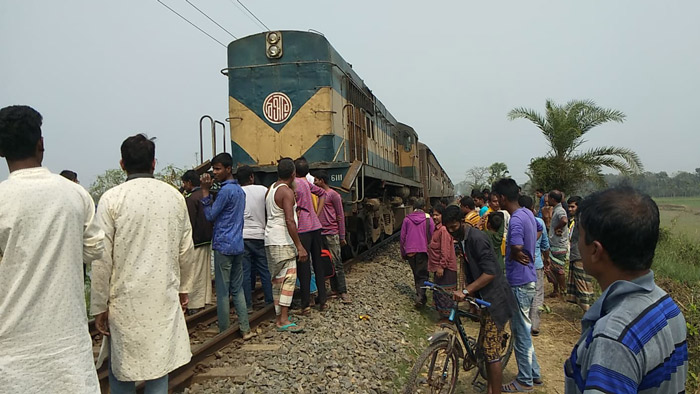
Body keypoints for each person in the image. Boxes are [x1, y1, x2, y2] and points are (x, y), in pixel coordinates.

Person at [0, 105, 104, 393]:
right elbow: (95, 249)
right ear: (40, 144)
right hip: (67, 344)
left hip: (11, 349)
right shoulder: (75, 194)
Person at [91, 134, 194, 392]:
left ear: (122, 164)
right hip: (162, 294)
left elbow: (102, 258)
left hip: (125, 300)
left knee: (122, 367)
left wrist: (99, 305)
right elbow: (186, 250)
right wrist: (184, 288)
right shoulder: (174, 198)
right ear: (154, 163)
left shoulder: (112, 199)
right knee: (159, 365)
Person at [564, 187, 687, 393]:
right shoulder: (666, 305)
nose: (576, 245)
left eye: (579, 238)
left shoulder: (613, 337)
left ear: (595, 250)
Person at [443, 205, 515, 394]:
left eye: (454, 226)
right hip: (485, 299)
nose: (451, 231)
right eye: (448, 228)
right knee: (485, 346)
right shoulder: (463, 239)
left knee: (492, 353)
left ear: (462, 221)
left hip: (496, 299)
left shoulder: (477, 238)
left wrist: (466, 291)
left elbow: (490, 273)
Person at [492, 178, 543, 393]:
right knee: (524, 328)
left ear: (503, 198)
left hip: (519, 281)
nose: (496, 202)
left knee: (520, 332)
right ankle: (534, 372)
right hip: (528, 278)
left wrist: (515, 252)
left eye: (497, 198)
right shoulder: (528, 214)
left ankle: (524, 381)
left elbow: (517, 246)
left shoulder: (515, 220)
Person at [200, 153, 254, 339]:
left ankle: (223, 330)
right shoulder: (239, 191)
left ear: (228, 169)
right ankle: (245, 327)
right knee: (237, 288)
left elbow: (210, 215)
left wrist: (205, 193)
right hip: (238, 243)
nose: (215, 173)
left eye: (218, 169)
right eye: (214, 169)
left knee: (223, 292)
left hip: (223, 244)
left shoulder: (225, 192)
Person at [265, 158, 306, 332]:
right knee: (288, 279)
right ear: (293, 174)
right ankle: (283, 319)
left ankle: (278, 317)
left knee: (277, 281)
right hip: (283, 241)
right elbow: (289, 220)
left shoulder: (271, 189)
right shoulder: (286, 192)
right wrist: (299, 246)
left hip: (270, 240)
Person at [237, 165, 274, 311]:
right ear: (251, 177)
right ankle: (270, 301)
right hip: (259, 235)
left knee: (245, 272)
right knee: (265, 270)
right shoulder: (263, 190)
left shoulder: (237, 192)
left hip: (242, 236)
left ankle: (247, 305)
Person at [293, 157, 328, 313]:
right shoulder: (307, 183)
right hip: (316, 225)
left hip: (303, 227)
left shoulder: (293, 184)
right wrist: (317, 212)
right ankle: (323, 300)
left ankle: (305, 303)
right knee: (318, 264)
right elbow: (323, 194)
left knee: (304, 265)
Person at [313, 170, 351, 303]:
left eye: (316, 180)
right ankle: (333, 289)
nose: (314, 182)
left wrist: (341, 235)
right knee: (325, 262)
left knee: (337, 262)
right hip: (320, 232)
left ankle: (343, 290)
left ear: (322, 181)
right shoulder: (317, 196)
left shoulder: (334, 195)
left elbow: (340, 215)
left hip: (332, 233)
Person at [181, 169, 214, 313]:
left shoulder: (191, 199)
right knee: (203, 273)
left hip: (195, 240)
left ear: (189, 182)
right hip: (207, 238)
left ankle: (193, 303)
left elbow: (189, 222)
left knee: (193, 273)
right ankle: (203, 299)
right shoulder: (206, 195)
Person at [519, 195, 550, 337]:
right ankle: (535, 325)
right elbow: (545, 245)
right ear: (533, 207)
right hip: (537, 264)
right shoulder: (539, 222)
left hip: (522, 263)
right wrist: (547, 259)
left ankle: (523, 324)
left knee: (524, 293)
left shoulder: (517, 221)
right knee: (537, 294)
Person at [400, 198, 435, 307]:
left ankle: (420, 295)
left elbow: (402, 238)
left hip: (410, 251)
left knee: (416, 273)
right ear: (424, 207)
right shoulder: (429, 219)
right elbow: (433, 234)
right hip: (423, 250)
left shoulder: (407, 219)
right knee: (423, 274)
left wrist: (403, 252)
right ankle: (421, 296)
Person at [426, 204, 458, 318]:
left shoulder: (443, 230)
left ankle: (448, 319)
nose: (434, 217)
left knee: (446, 295)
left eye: (437, 215)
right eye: (433, 215)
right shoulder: (437, 229)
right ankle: (443, 316)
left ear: (442, 216)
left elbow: (445, 251)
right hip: (439, 267)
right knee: (440, 292)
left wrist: (441, 266)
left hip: (446, 269)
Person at [565, 196, 594, 312]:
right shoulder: (578, 219)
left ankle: (589, 312)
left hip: (580, 255)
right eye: (569, 207)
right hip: (578, 254)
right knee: (583, 283)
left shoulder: (582, 219)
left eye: (573, 206)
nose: (570, 209)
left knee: (582, 284)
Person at [547, 190, 569, 299]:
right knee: (553, 268)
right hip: (555, 244)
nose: (547, 200)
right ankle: (556, 290)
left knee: (559, 269)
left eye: (549, 198)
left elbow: (564, 220)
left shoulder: (560, 210)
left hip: (559, 245)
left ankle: (563, 291)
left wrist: (557, 227)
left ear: (553, 199)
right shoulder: (556, 210)